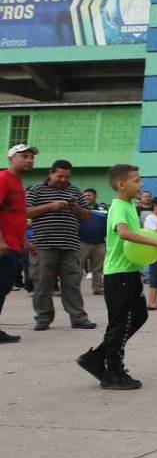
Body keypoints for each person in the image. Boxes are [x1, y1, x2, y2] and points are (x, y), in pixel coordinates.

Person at [76, 165, 157, 390]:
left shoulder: (130, 205)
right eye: (137, 181)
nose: (141, 185)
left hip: (129, 272)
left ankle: (96, 358)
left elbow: (137, 234)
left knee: (138, 316)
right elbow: (125, 233)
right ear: (121, 184)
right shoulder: (119, 206)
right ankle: (113, 373)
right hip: (118, 274)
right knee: (119, 324)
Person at [26, 158, 96, 331]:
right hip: (43, 244)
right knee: (42, 282)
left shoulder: (75, 191)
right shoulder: (36, 190)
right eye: (60, 176)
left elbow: (87, 216)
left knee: (72, 282)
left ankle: (78, 317)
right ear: (50, 174)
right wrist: (50, 206)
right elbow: (25, 211)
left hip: (70, 244)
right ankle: (43, 317)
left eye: (66, 177)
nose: (63, 180)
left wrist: (75, 209)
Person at [0, 145, 37, 344]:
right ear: (11, 158)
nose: (29, 160)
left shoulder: (17, 183)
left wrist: (25, 242)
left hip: (14, 244)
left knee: (4, 286)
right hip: (4, 245)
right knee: (2, 286)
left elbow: (17, 216)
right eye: (24, 156)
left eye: (31, 157)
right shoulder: (3, 179)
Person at [79, 188, 107, 296]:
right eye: (85, 196)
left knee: (98, 268)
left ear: (95, 197)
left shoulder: (103, 208)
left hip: (99, 243)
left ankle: (98, 288)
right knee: (77, 268)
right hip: (82, 243)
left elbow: (108, 222)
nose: (87, 197)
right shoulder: (78, 208)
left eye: (89, 195)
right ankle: (74, 289)